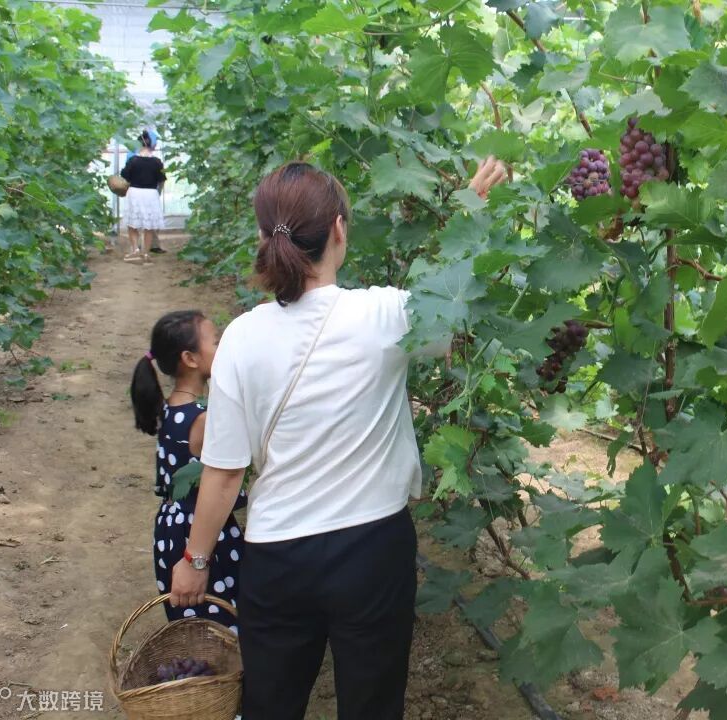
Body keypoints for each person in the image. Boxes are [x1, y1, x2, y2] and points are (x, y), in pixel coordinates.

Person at [169, 157, 507, 720]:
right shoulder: (387, 315)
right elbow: (450, 300)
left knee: (270, 705)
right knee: (372, 706)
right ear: (340, 230)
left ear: (264, 238)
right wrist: (471, 211)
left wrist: (195, 559)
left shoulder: (242, 338)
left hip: (278, 556)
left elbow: (224, 472)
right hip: (373, 551)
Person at [130, 309, 246, 628]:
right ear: (190, 359)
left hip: (171, 529)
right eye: (216, 342)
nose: (223, 348)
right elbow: (228, 478)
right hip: (202, 533)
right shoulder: (203, 419)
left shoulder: (172, 408)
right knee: (223, 620)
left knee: (194, 623)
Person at [121, 129, 166, 263]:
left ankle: (135, 250)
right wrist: (157, 192)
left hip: (135, 193)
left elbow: (124, 177)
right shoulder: (157, 162)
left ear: (138, 144)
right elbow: (162, 180)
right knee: (149, 225)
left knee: (132, 224)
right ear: (151, 145)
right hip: (151, 194)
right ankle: (146, 253)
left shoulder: (133, 160)